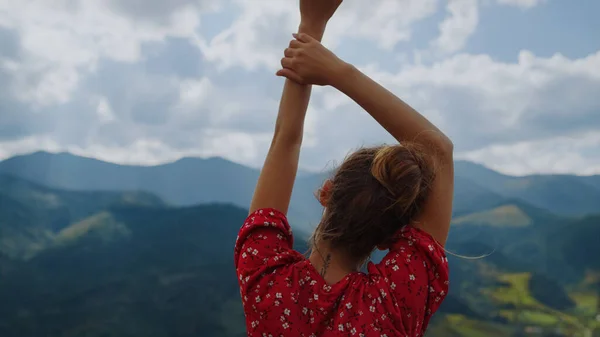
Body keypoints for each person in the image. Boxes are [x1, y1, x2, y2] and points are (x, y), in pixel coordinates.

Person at [234, 1, 453, 336]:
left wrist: (312, 23)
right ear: (390, 238)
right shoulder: (393, 304)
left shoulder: (265, 277)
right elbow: (437, 149)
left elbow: (285, 141)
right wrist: (339, 72)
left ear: (327, 192)